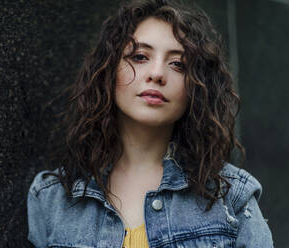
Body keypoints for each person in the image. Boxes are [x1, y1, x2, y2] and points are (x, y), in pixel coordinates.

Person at [27, 0, 274, 247]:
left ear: (195, 88)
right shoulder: (52, 197)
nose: (157, 73)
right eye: (140, 56)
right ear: (109, 70)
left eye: (178, 64)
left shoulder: (230, 196)